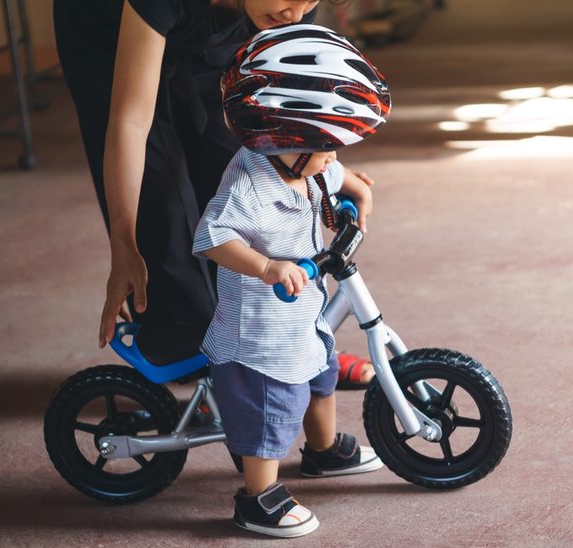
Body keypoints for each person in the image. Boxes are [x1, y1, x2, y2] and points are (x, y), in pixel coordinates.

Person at [53, 0, 375, 386]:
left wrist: (328, 168)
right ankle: (188, 349)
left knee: (245, 177)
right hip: (107, 30)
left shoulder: (287, 6)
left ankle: (293, 348)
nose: (298, 12)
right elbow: (131, 122)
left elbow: (284, 107)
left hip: (219, 19)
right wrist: (123, 243)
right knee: (160, 210)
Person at [192, 24, 391, 537]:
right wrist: (265, 266)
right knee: (270, 406)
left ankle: (322, 451)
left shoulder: (305, 159)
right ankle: (257, 497)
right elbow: (211, 236)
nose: (333, 159)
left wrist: (359, 193)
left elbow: (339, 175)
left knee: (320, 375)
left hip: (300, 313)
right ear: (283, 136)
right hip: (260, 333)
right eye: (328, 149)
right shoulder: (250, 185)